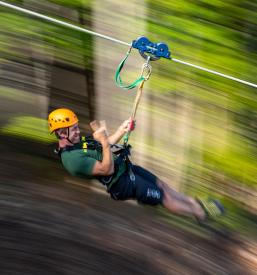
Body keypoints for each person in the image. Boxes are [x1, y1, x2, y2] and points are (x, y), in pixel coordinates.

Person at [48, 108, 224, 223]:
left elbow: (104, 145)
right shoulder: (72, 160)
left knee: (162, 185)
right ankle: (199, 214)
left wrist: (122, 130)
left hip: (126, 168)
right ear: (62, 133)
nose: (78, 131)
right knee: (164, 197)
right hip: (121, 183)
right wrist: (103, 141)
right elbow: (106, 168)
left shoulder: (77, 142)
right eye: (74, 128)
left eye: (77, 127)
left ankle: (193, 203)